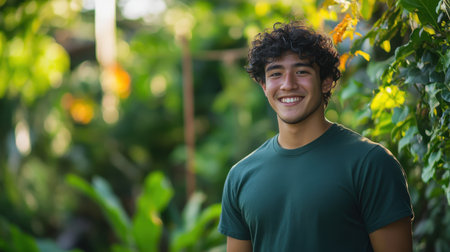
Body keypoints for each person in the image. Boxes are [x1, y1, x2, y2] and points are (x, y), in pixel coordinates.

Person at [218, 21, 414, 252]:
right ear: (264, 85)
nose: (288, 84)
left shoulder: (371, 163)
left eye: (301, 72)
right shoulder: (241, 176)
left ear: (326, 81)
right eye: (276, 74)